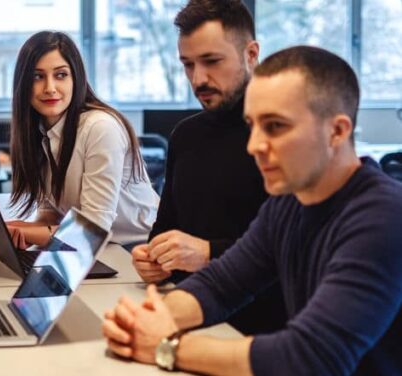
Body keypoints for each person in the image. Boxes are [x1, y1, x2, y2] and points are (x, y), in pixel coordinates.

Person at [103, 45, 402, 375]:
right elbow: (222, 285)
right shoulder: (289, 203)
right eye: (253, 125)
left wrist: (167, 347)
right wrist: (146, 319)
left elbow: (311, 359)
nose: (254, 145)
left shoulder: (383, 217)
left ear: (338, 131)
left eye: (274, 126)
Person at [132, 0, 284, 334]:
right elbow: (166, 227)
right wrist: (154, 259)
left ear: (251, 54)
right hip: (183, 311)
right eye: (187, 65)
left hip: (257, 326)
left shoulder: (282, 137)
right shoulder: (186, 135)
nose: (198, 78)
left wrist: (208, 253)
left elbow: (292, 249)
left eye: (212, 61)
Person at [0, 31, 158, 250]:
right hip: (96, 250)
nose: (50, 88)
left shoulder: (100, 128)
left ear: (76, 79)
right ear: (23, 84)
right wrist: (14, 232)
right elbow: (52, 215)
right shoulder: (41, 131)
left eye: (61, 75)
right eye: (38, 77)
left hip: (138, 251)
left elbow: (91, 231)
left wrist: (21, 230)